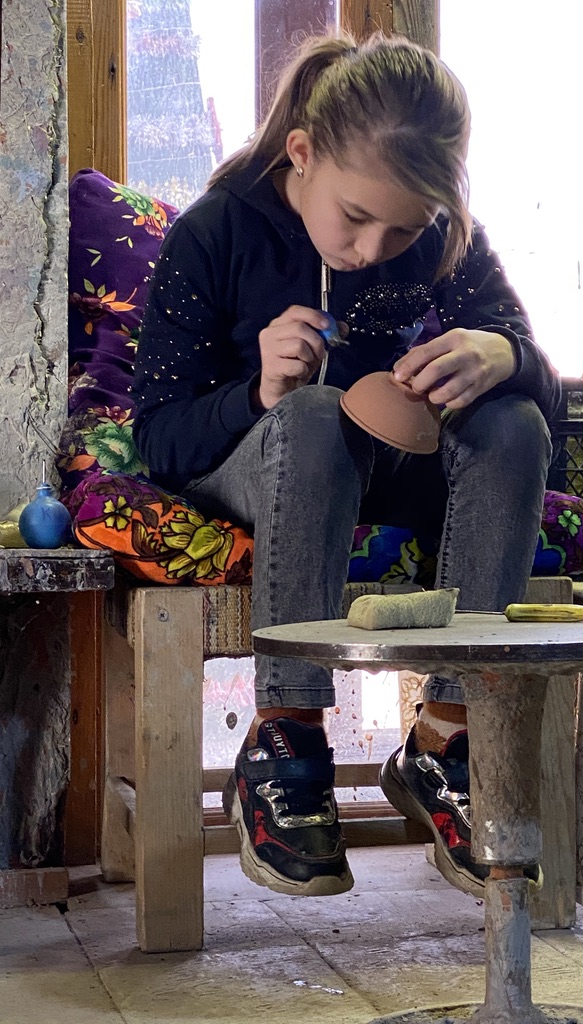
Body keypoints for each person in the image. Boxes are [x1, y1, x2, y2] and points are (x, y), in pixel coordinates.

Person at [133, 30, 560, 900]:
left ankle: (446, 736)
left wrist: (505, 354)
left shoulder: (446, 239)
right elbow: (160, 440)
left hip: (399, 472)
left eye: (404, 228)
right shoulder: (214, 233)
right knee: (314, 416)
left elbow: (551, 408)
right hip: (260, 466)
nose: (373, 249)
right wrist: (257, 393)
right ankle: (285, 736)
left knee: (514, 423)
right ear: (302, 153)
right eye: (357, 217)